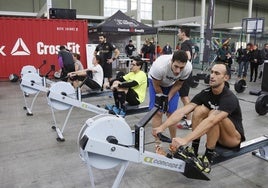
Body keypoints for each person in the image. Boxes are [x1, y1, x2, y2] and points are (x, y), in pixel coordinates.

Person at [153, 63, 245, 173]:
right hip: (217, 135)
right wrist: (162, 127)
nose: (212, 76)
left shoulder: (229, 97)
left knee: (213, 114)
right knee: (198, 110)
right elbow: (183, 110)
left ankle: (208, 157)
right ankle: (194, 149)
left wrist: (185, 139)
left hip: (232, 139)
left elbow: (212, 120)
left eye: (216, 73)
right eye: (211, 72)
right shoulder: (206, 93)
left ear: (226, 78)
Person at [148, 50, 192, 155]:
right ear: (171, 61)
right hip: (156, 83)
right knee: (158, 112)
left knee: (172, 113)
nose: (178, 71)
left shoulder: (188, 68)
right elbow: (157, 85)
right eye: (176, 66)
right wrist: (162, 100)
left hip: (172, 85)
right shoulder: (160, 66)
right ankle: (158, 145)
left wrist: (168, 98)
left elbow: (178, 84)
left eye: (181, 68)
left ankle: (174, 142)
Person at [177, 26, 194, 129]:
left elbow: (188, 56)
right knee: (183, 96)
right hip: (188, 72)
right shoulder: (190, 43)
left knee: (184, 97)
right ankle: (187, 115)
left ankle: (189, 121)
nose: (178, 34)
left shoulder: (184, 44)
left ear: (183, 33)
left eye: (179, 32)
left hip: (186, 74)